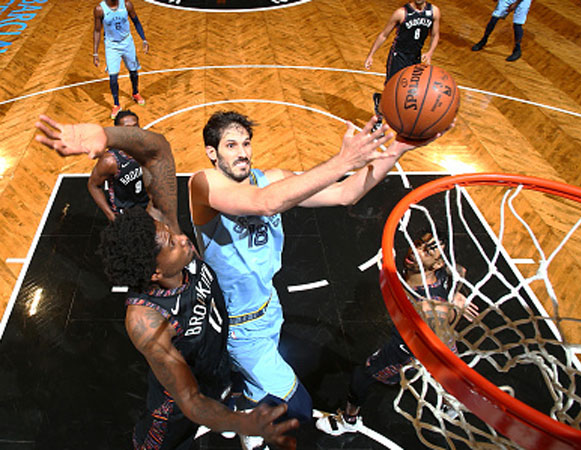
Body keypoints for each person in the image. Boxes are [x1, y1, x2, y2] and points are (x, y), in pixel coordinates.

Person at [34, 115, 299, 450]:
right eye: (173, 244)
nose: (183, 240)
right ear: (155, 273)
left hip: (217, 371)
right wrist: (244, 421)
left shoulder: (168, 237)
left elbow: (158, 151)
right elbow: (188, 399)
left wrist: (107, 134)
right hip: (176, 413)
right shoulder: (146, 320)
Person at [188, 111, 448, 448]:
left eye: (246, 143)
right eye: (231, 145)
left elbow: (346, 194)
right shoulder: (203, 183)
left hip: (269, 307)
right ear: (212, 153)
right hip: (238, 325)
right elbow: (264, 205)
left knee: (255, 386)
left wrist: (400, 145)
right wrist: (344, 159)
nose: (242, 152)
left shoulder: (272, 179)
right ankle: (249, 419)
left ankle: (247, 415)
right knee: (300, 407)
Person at [315, 231, 479, 435]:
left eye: (427, 251)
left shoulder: (431, 306)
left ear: (437, 264)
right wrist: (456, 291)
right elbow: (460, 270)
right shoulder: (433, 270)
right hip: (439, 339)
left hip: (413, 344)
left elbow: (443, 321)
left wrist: (455, 308)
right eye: (418, 243)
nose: (416, 251)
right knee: (442, 370)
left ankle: (349, 421)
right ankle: (450, 400)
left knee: (362, 375)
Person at [364, 0, 441, 129]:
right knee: (391, 91)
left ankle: (400, 117)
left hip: (415, 56)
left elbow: (435, 34)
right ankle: (378, 119)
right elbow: (384, 35)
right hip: (398, 55)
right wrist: (370, 55)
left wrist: (430, 53)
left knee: (409, 91)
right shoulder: (401, 13)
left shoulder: (434, 12)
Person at [87, 110, 150, 221]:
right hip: (125, 213)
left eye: (136, 127)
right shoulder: (110, 161)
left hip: (146, 206)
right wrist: (111, 216)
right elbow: (93, 185)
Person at [93, 0, 149, 119]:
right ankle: (116, 104)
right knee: (113, 77)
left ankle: (135, 93)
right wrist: (95, 53)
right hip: (111, 46)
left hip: (127, 42)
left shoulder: (127, 5)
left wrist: (144, 39)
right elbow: (97, 30)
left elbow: (136, 22)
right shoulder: (100, 9)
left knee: (133, 71)